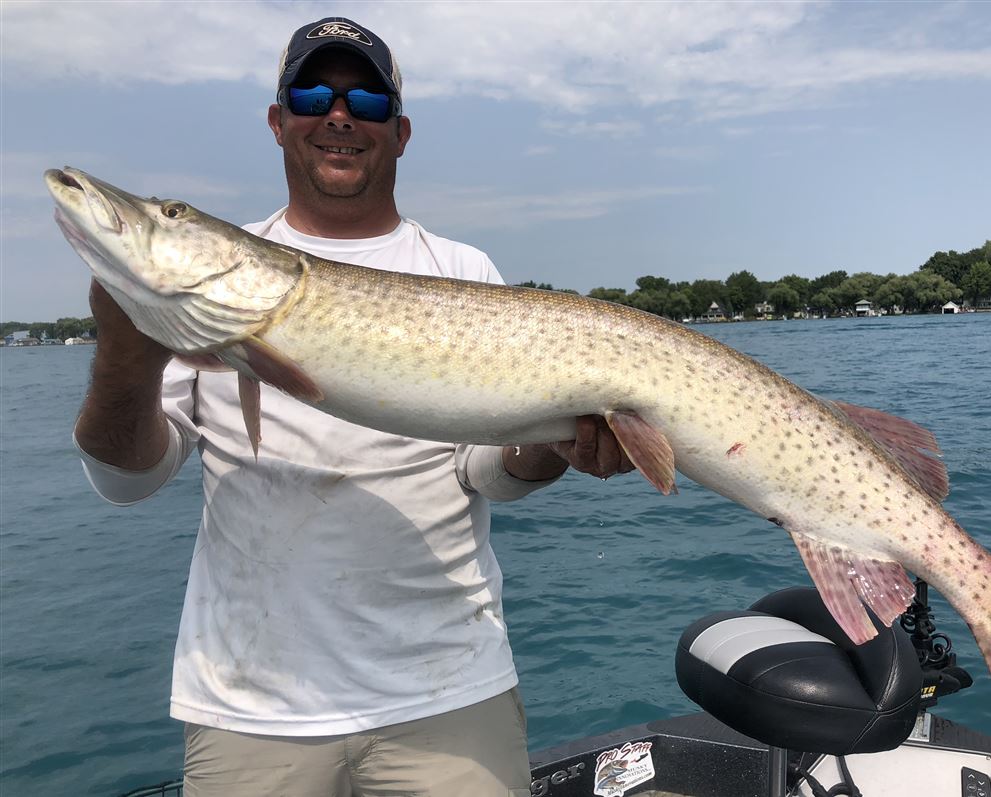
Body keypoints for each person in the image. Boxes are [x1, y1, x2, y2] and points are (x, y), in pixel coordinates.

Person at [74, 17, 633, 797]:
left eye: (366, 102)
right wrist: (123, 352)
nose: (338, 115)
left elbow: (489, 470)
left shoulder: (463, 270)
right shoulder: (212, 291)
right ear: (279, 121)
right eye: (313, 96)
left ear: (399, 132)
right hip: (249, 703)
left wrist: (554, 446)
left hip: (449, 689)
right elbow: (126, 480)